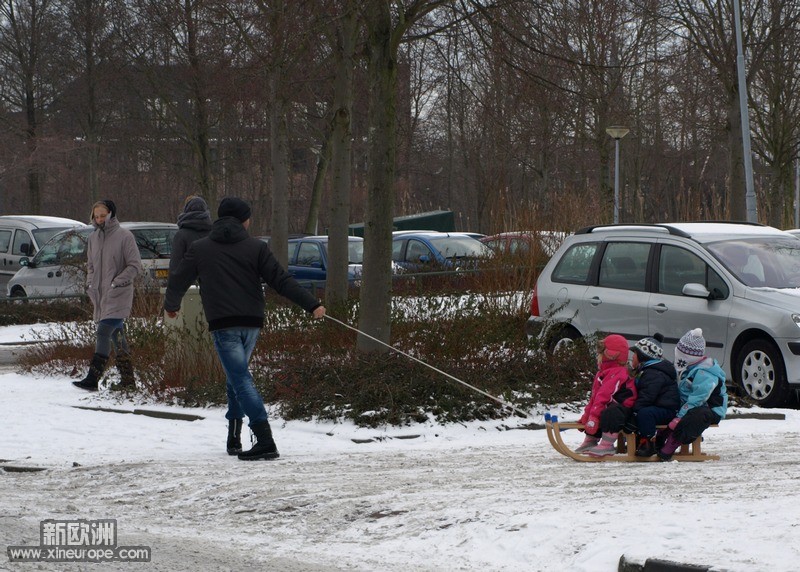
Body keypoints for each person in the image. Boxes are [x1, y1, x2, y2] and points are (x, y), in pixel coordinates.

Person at [163, 197, 326, 461]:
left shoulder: (200, 248)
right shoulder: (256, 248)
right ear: (244, 220)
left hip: (224, 324)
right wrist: (312, 305)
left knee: (240, 379)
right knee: (235, 376)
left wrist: (171, 305)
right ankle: (234, 434)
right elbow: (281, 280)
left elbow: (178, 278)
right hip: (251, 322)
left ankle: (265, 440)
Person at [73, 200, 143, 391]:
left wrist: (116, 282)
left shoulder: (124, 236)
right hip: (100, 296)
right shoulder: (93, 238)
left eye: (103, 215)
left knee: (104, 331)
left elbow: (135, 265)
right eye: (96, 216)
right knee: (118, 337)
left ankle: (92, 378)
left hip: (118, 294)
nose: (99, 219)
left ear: (111, 214)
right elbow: (91, 265)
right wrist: (89, 283)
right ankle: (129, 381)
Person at [657, 328, 728, 461]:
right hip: (685, 407)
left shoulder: (705, 373)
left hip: (709, 409)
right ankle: (662, 434)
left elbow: (698, 399)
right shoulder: (686, 369)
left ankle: (674, 440)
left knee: (698, 415)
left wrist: (679, 418)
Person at [576, 334, 637, 457]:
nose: (599, 358)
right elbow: (594, 397)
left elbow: (605, 396)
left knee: (608, 412)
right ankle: (591, 439)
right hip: (611, 405)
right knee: (599, 409)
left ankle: (607, 444)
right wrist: (586, 416)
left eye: (601, 354)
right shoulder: (602, 372)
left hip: (624, 409)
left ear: (610, 355)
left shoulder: (618, 372)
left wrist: (593, 418)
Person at [627, 333, 680, 457]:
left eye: (634, 354)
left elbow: (647, 396)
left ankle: (648, 443)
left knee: (645, 413)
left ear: (642, 356)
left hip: (667, 410)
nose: (632, 357)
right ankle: (639, 440)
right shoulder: (647, 371)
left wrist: (635, 410)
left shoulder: (653, 373)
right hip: (658, 406)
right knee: (642, 412)